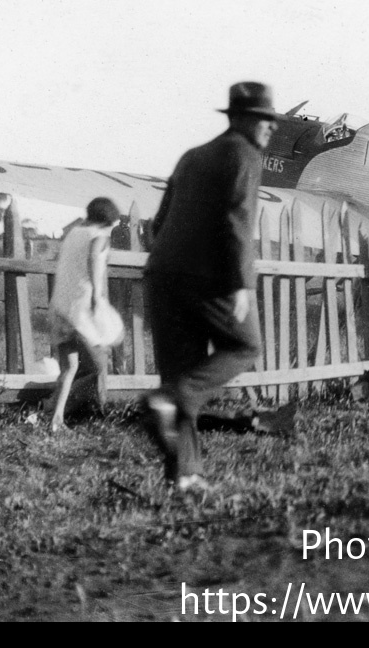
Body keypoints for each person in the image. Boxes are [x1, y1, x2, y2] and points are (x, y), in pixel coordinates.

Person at [142, 82, 276, 490]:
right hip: (208, 276)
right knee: (245, 345)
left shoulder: (192, 156)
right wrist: (241, 285)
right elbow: (238, 220)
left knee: (181, 371)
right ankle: (168, 401)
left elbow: (157, 225)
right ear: (240, 120)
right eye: (263, 120)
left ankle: (185, 475)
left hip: (163, 273)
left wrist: (173, 258)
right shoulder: (245, 154)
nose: (270, 128)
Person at [48, 197, 124, 431]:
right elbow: (94, 260)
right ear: (107, 221)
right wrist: (97, 297)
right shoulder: (99, 236)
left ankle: (56, 418)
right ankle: (97, 413)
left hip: (60, 307)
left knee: (69, 368)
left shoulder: (73, 233)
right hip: (82, 307)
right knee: (100, 363)